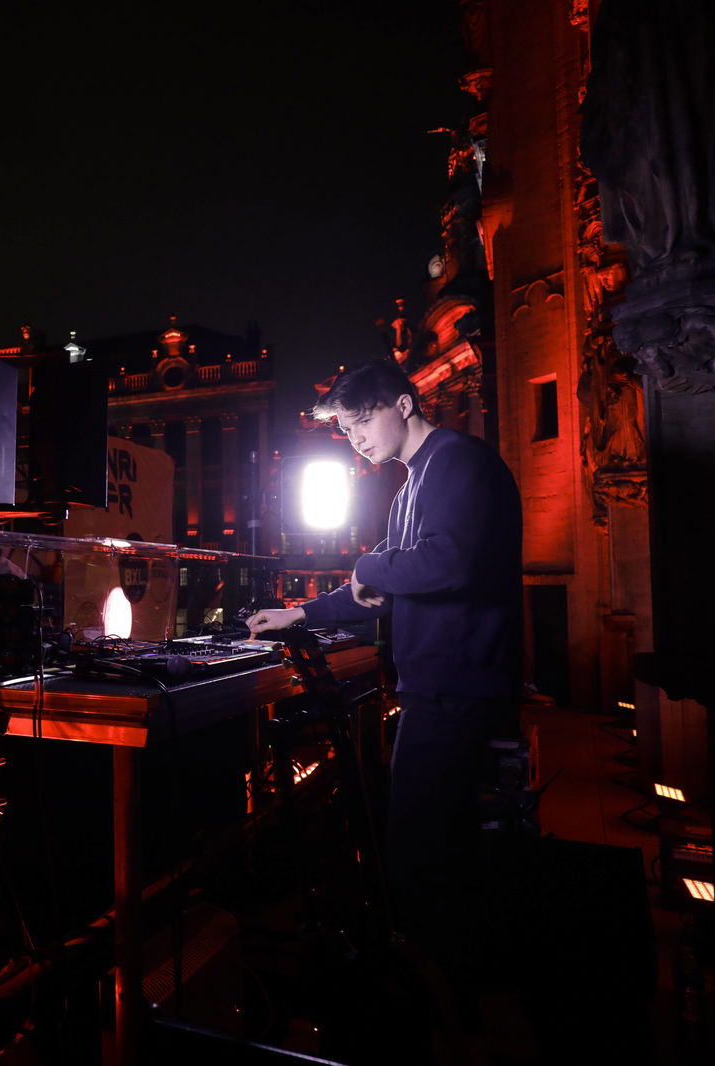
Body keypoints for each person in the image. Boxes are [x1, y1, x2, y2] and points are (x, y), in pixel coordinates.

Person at [247, 358, 523, 972]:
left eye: (360, 419)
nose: (354, 437)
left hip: (459, 681)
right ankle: (448, 975)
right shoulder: (411, 483)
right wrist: (300, 614)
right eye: (344, 428)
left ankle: (439, 986)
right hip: (440, 681)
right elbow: (384, 588)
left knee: (421, 842)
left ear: (403, 403)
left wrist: (369, 566)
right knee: (430, 834)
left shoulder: (457, 461)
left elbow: (446, 565)